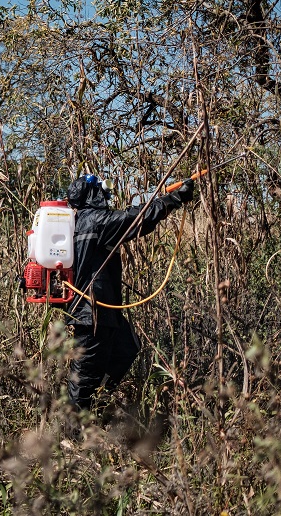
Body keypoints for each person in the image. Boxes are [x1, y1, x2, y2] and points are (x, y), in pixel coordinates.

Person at [64, 174, 194, 410]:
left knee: (127, 348)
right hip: (92, 312)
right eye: (102, 189)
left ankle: (97, 407)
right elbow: (135, 218)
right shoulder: (95, 221)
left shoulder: (80, 223)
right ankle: (73, 434)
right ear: (92, 194)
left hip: (101, 311)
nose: (106, 193)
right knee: (83, 377)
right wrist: (174, 198)